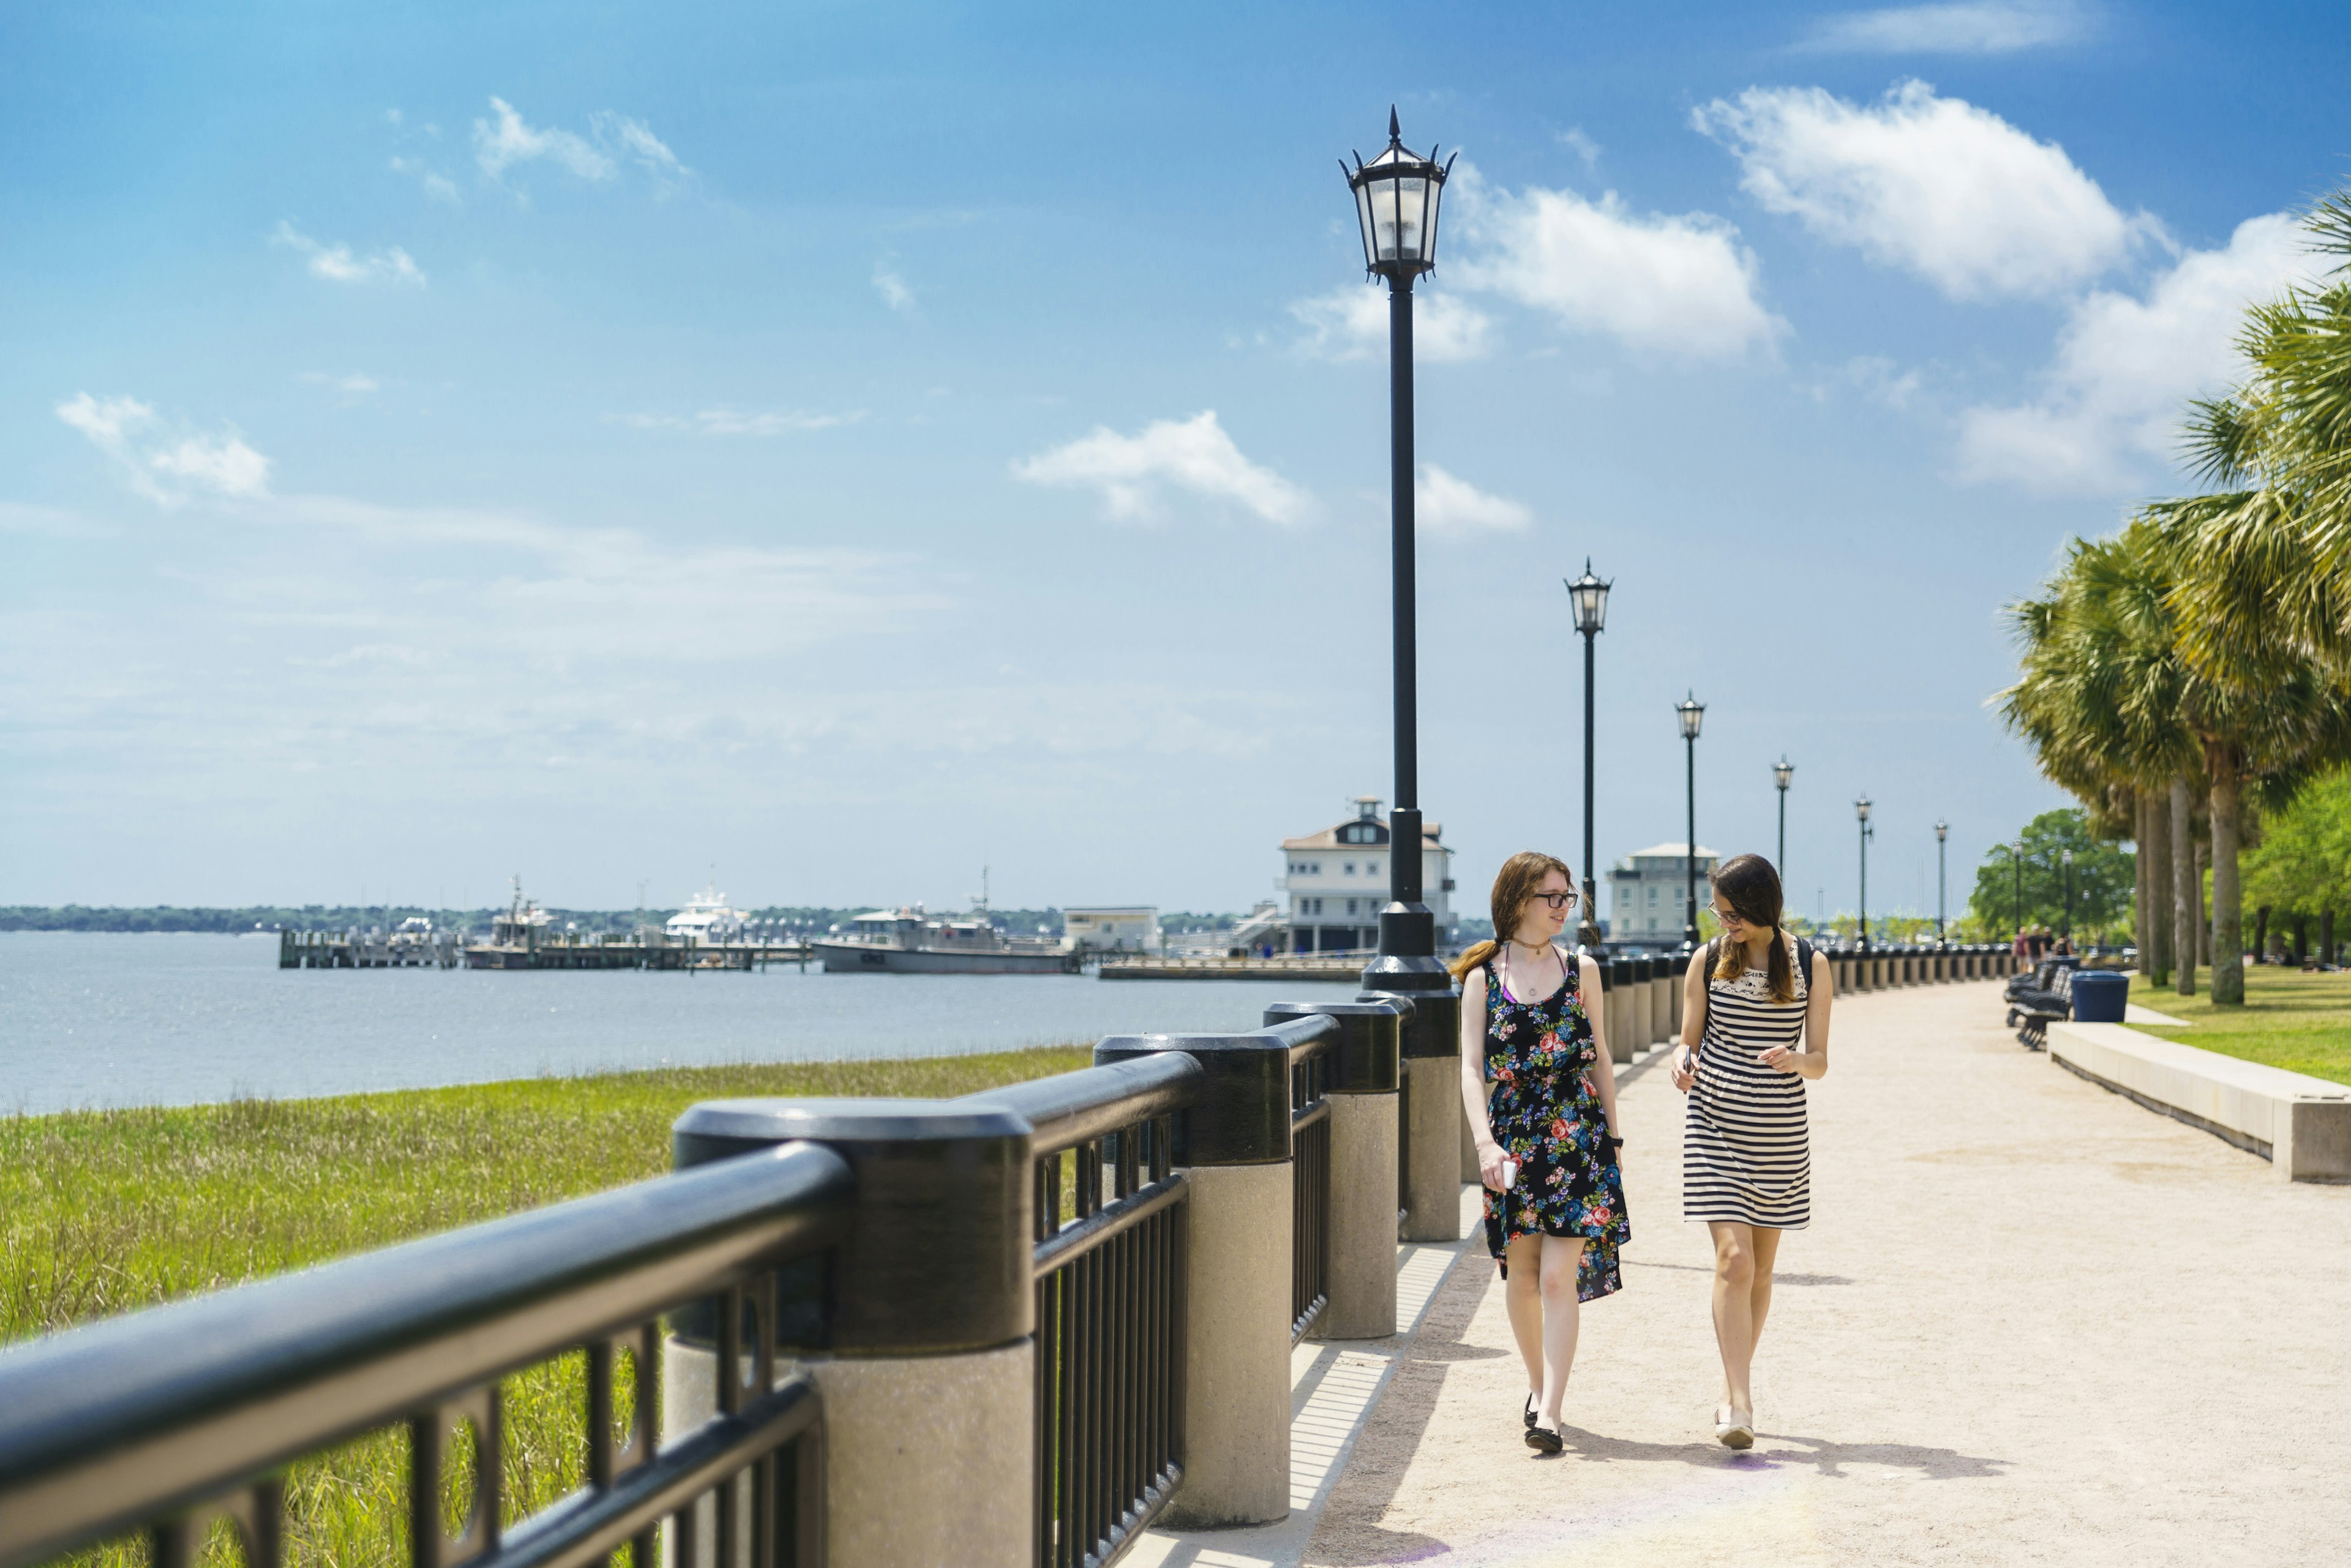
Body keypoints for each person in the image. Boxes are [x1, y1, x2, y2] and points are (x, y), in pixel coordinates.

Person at [1453, 851, 1627, 1455]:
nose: (1561, 908)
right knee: (1522, 1276)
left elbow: (1601, 1056)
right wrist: (1484, 1144)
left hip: (1577, 1137)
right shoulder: (1484, 977)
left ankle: (1550, 1410)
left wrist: (1616, 1137)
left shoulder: (1582, 968)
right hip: (1513, 1143)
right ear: (1517, 900)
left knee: (1558, 1277)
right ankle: (1537, 1385)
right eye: (1551, 897)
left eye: (1566, 898)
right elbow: (1472, 1071)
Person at [1668, 853, 1830, 1451]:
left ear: (1763, 907)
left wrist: (1796, 1060)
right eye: (1719, 909)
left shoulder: (1811, 962)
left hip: (1779, 1133)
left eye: (1733, 911)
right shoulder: (1708, 959)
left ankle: (1730, 1384)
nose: (1724, 920)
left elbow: (1820, 1059)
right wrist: (1682, 1061)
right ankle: (1740, 1400)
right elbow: (1688, 1040)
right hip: (1714, 1124)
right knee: (1733, 1261)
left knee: (1760, 1270)